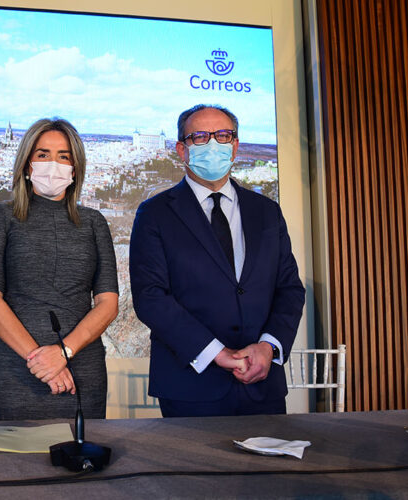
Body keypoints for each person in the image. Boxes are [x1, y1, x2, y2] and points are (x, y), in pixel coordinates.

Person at [129, 104, 305, 417]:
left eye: (223, 135)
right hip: (190, 386)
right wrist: (217, 353)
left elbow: (289, 288)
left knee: (268, 468)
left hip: (261, 384)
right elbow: (151, 297)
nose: (214, 144)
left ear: (235, 146)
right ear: (182, 150)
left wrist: (268, 347)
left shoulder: (267, 212)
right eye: (200, 137)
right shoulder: (155, 214)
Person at [0, 118, 119, 421]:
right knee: (10, 465)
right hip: (15, 369)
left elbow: (108, 304)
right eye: (42, 155)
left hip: (81, 369)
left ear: (75, 167)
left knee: (81, 461)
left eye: (63, 156)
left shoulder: (94, 223)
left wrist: (63, 353)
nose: (52, 164)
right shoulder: (3, 217)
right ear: (27, 165)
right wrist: (41, 361)